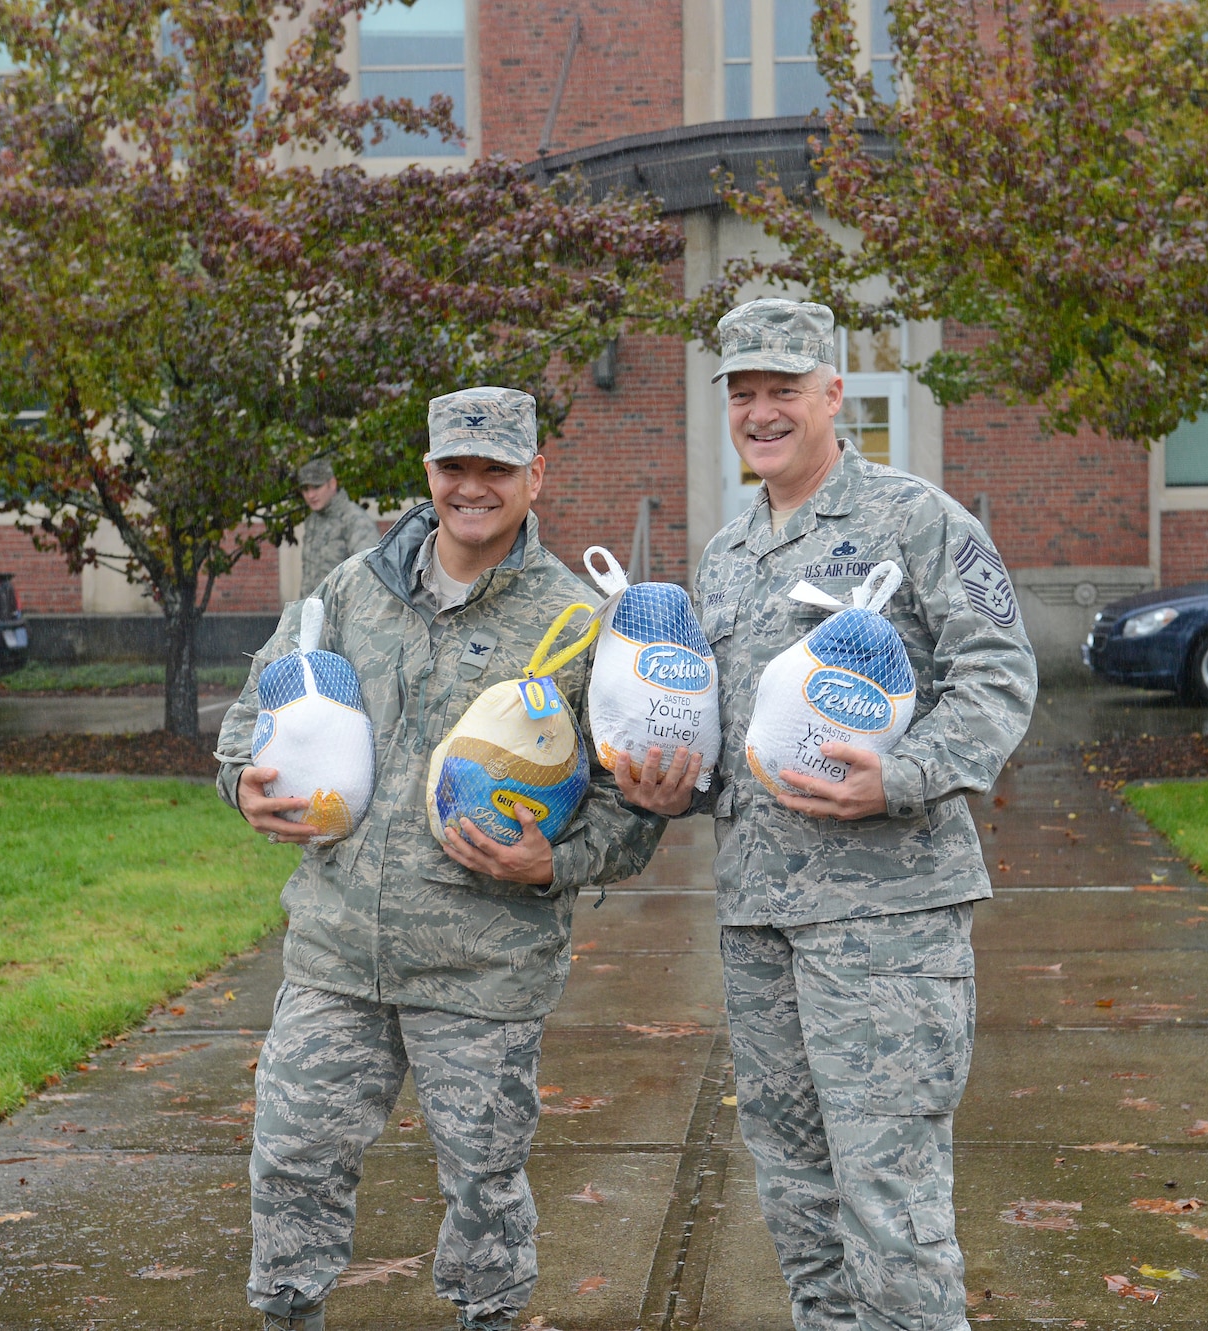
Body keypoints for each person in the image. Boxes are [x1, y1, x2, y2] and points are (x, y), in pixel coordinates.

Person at [615, 299, 1037, 1331]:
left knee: (890, 1213)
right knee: (799, 1206)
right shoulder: (720, 557)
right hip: (758, 918)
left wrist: (896, 776)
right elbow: (727, 742)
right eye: (743, 393)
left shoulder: (915, 519)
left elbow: (997, 675)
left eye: (782, 390)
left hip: (883, 922)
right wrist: (672, 783)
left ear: (831, 393)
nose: (761, 411)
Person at [217, 388, 664, 1331]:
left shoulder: (583, 625)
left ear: (535, 475)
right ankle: (288, 1316)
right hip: (339, 950)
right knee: (292, 1155)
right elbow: (256, 714)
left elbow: (635, 806)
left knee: (484, 1180)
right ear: (428, 472)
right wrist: (245, 782)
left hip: (482, 964)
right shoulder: (350, 592)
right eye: (454, 467)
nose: (473, 487)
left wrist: (553, 862)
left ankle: (488, 1319)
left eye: (496, 469)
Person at [296, 457, 376, 591]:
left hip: (343, 609)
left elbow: (369, 572)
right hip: (314, 609)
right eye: (305, 489)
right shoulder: (312, 521)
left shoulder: (353, 518)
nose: (310, 495)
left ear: (332, 484)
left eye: (316, 487)